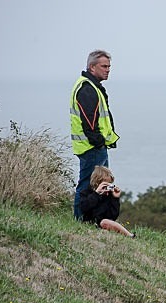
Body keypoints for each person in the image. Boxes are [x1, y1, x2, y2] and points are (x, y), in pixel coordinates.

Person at [70, 49, 119, 220]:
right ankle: (80, 220)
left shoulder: (91, 86)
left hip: (94, 146)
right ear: (92, 67)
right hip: (91, 147)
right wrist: (98, 142)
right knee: (87, 186)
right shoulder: (87, 88)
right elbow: (89, 123)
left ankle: (94, 220)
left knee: (99, 184)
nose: (108, 69)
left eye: (109, 66)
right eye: (104, 66)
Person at [79, 166, 134, 238]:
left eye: (110, 184)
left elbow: (114, 215)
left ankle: (129, 235)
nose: (107, 187)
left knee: (105, 223)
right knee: (104, 223)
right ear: (97, 183)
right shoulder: (86, 193)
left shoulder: (109, 196)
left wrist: (115, 198)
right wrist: (97, 194)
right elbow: (84, 208)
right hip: (91, 222)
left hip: (105, 223)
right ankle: (129, 235)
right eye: (105, 185)